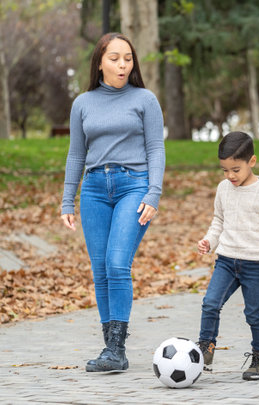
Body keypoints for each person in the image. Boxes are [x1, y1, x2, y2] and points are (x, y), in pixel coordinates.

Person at [60, 33, 165, 372]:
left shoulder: (145, 99)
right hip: (93, 190)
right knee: (101, 270)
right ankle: (111, 350)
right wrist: (67, 201)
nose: (123, 65)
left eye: (128, 59)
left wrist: (154, 192)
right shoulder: (83, 103)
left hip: (133, 187)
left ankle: (117, 347)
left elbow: (156, 150)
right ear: (100, 61)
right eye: (115, 58)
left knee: (118, 264)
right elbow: (76, 154)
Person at [197, 131, 259, 380]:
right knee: (210, 303)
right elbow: (218, 220)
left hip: (256, 264)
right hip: (226, 260)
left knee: (254, 312)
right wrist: (209, 241)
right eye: (225, 170)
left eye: (235, 169)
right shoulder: (223, 189)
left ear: (252, 161)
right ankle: (205, 350)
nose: (230, 176)